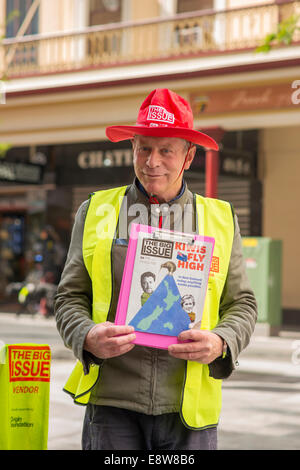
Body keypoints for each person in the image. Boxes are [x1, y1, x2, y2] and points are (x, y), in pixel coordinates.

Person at [55, 88, 257, 451]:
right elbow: (69, 298)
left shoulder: (220, 219)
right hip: (113, 408)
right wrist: (86, 335)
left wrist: (221, 341)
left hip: (188, 412)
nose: (152, 161)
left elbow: (242, 304)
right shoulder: (96, 211)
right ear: (132, 147)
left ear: (188, 156)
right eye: (144, 148)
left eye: (166, 150)